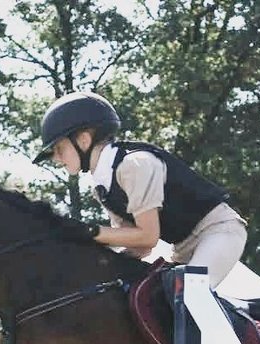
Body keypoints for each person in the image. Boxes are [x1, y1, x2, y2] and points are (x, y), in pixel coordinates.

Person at [34, 91, 247, 288]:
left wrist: (89, 232)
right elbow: (138, 246)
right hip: (182, 248)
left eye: (59, 149)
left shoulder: (134, 165)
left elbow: (148, 236)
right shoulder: (102, 187)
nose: (56, 159)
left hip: (218, 231)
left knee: (191, 292)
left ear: (83, 140)